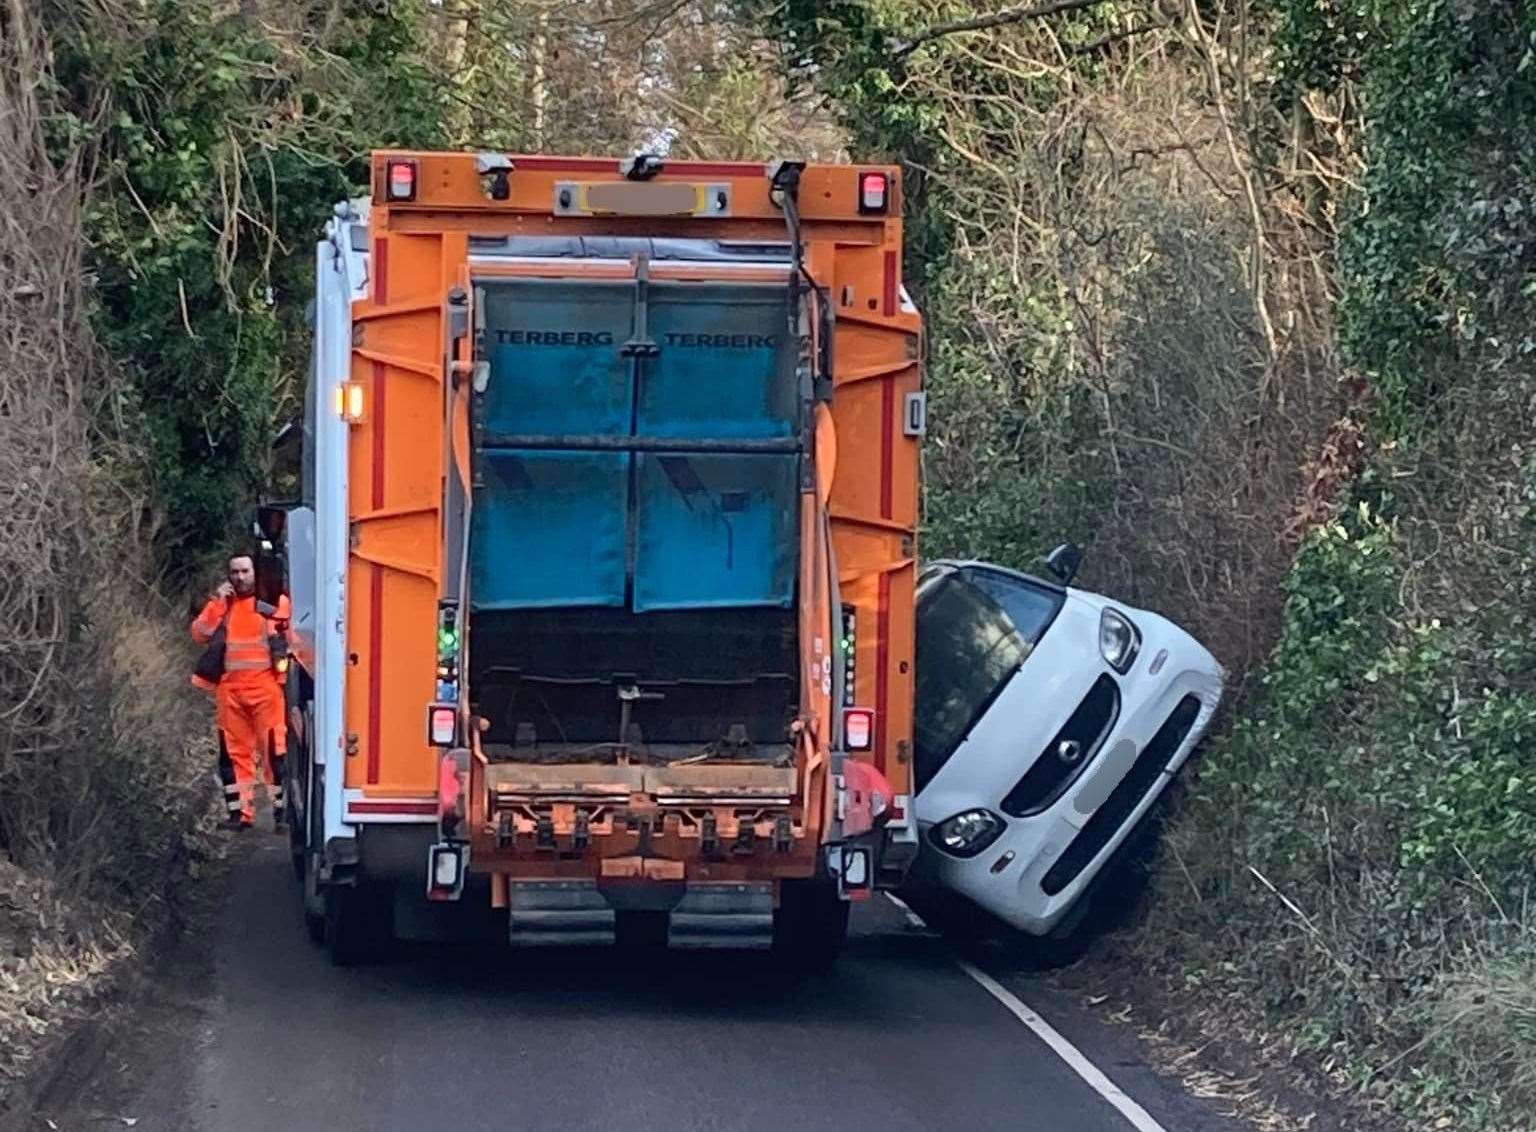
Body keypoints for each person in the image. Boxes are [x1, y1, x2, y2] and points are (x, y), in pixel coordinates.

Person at [191, 554, 291, 831]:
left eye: (245, 571)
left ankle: (281, 815)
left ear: (254, 573)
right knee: (235, 755)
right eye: (235, 572)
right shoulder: (224, 606)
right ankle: (240, 815)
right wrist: (217, 604)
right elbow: (199, 633)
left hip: (265, 690)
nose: (240, 577)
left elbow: (287, 632)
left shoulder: (270, 603)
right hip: (230, 691)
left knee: (274, 754)